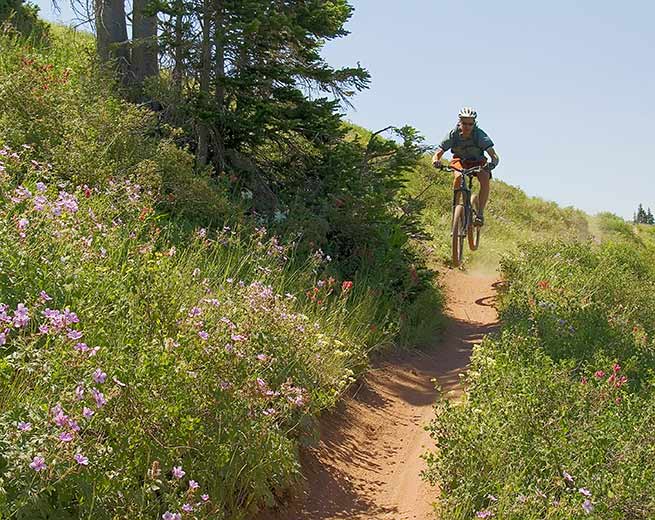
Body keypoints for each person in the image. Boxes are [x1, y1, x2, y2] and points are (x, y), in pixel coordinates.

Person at [432, 107, 499, 226]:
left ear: (474, 124)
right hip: (460, 160)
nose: (467, 126)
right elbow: (439, 151)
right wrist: (436, 160)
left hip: (477, 161)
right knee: (458, 176)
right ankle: (456, 210)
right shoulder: (453, 134)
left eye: (470, 124)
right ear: (459, 122)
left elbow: (493, 154)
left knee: (484, 178)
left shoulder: (479, 134)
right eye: (464, 123)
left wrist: (492, 164)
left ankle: (480, 214)